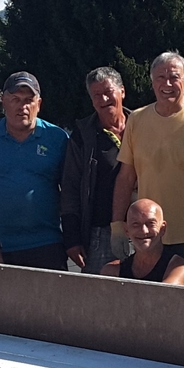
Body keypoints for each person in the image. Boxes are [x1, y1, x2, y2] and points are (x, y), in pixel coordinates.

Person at [110, 52, 184, 286]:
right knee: (152, 303)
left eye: (174, 77)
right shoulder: (137, 119)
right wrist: (117, 225)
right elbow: (126, 177)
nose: (167, 84)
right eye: (160, 77)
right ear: (152, 82)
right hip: (150, 237)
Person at [0, 72, 70, 270]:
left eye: (28, 100)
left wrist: (74, 238)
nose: (22, 107)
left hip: (46, 244)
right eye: (15, 99)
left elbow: (71, 192)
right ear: (3, 102)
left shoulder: (57, 138)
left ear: (39, 104)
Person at [61, 66, 127, 275]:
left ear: (122, 91)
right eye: (97, 95)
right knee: (100, 292)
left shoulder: (143, 125)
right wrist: (72, 238)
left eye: (108, 92)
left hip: (145, 229)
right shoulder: (83, 136)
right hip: (100, 233)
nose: (103, 99)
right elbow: (70, 187)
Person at [103, 198, 184, 286]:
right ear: (126, 230)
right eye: (136, 224)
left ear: (162, 229)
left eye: (150, 224)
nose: (144, 231)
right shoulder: (113, 272)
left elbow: (163, 295)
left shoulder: (179, 268)